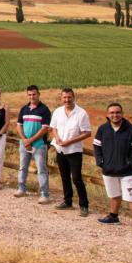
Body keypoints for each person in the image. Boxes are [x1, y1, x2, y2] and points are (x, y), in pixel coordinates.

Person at [94, 103, 132, 237]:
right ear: (107, 114)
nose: (115, 115)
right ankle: (113, 216)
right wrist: (100, 162)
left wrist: (130, 163)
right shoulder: (102, 129)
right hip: (108, 170)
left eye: (117, 112)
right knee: (114, 195)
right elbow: (97, 147)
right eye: (112, 112)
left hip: (127, 172)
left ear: (122, 114)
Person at [50, 88, 92, 217]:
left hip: (74, 151)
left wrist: (70, 141)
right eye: (64, 98)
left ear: (74, 97)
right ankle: (67, 201)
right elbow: (53, 128)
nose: (67, 100)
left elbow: (87, 133)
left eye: (69, 97)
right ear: (61, 98)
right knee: (64, 177)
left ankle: (84, 205)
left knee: (76, 178)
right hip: (60, 149)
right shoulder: (57, 111)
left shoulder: (81, 113)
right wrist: (56, 138)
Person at [14, 85, 51, 204]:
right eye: (29, 94)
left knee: (41, 169)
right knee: (22, 167)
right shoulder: (24, 109)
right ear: (27, 95)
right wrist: (25, 140)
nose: (32, 96)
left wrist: (31, 140)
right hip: (24, 144)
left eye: (34, 94)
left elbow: (45, 129)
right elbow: (19, 125)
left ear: (39, 94)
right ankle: (21, 188)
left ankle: (44, 194)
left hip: (39, 145)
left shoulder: (44, 110)